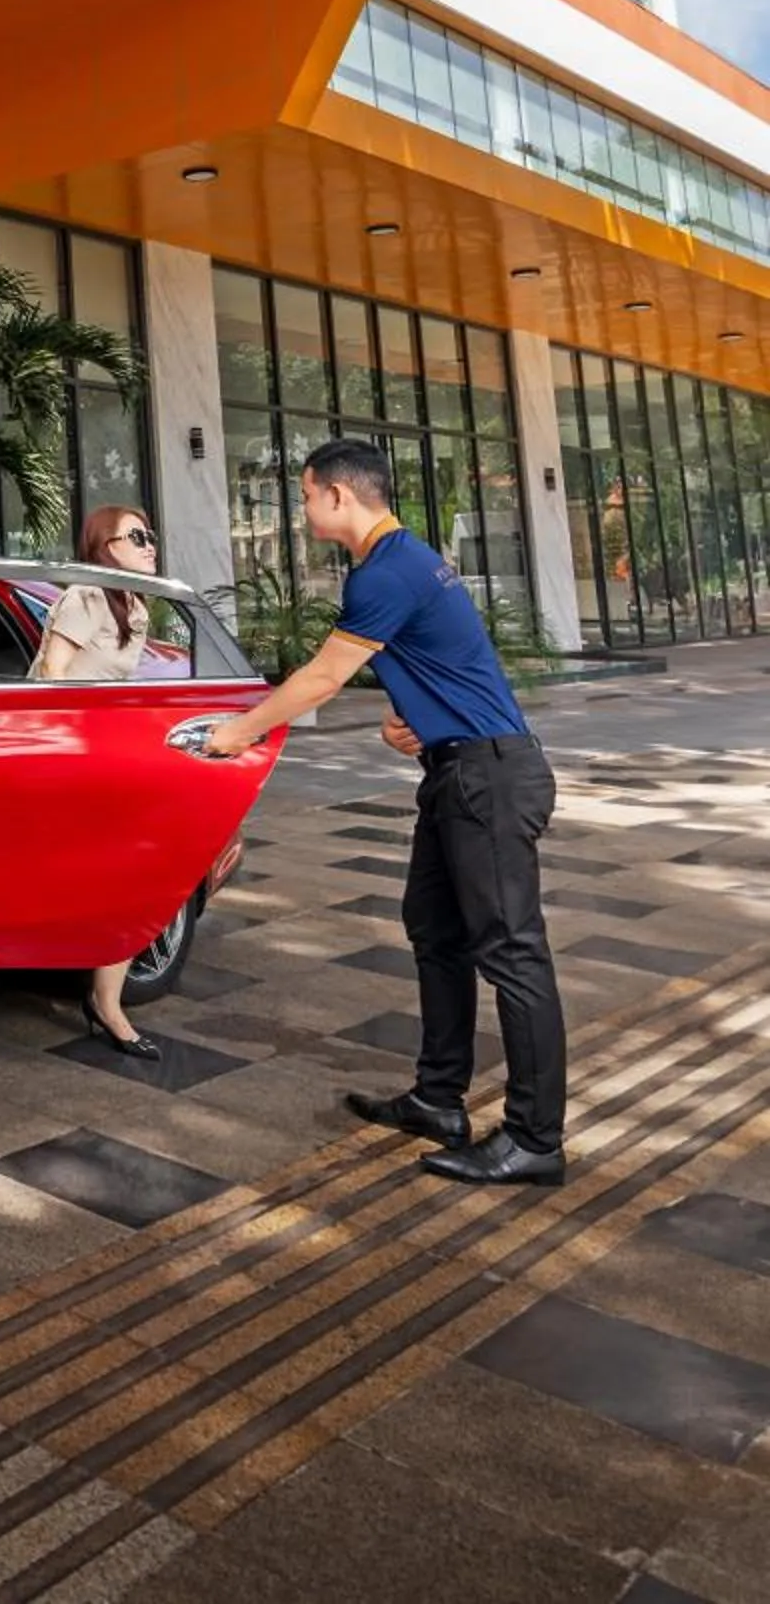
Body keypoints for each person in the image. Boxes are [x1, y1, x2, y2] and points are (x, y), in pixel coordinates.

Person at [204, 436, 566, 1186]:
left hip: (488, 780)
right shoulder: (401, 561)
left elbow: (321, 677)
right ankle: (439, 1100)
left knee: (512, 953)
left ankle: (536, 1139)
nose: (301, 510)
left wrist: (238, 731)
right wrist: (417, 719)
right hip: (461, 767)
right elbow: (455, 662)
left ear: (339, 495)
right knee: (435, 931)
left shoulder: (388, 571)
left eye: (304, 496)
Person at [38, 506, 162, 1060]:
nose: (149, 544)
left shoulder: (133, 604)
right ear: (103, 546)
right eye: (135, 536)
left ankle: (107, 1001)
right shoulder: (86, 595)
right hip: (60, 751)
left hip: (101, 751)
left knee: (133, 873)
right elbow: (51, 674)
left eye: (149, 534)